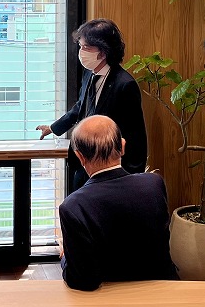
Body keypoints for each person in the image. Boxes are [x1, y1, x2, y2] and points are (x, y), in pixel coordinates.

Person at [58, 115, 176, 291]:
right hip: (164, 292)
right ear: (122, 146)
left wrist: (66, 256)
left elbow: (83, 281)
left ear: (79, 156)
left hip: (108, 298)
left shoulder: (73, 206)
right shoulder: (153, 184)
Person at [36, 18, 147, 192]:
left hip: (109, 172)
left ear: (103, 52)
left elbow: (136, 135)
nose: (81, 52)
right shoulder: (89, 74)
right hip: (83, 166)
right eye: (80, 46)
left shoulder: (125, 85)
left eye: (86, 48)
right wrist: (54, 127)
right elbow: (81, 107)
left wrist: (132, 177)